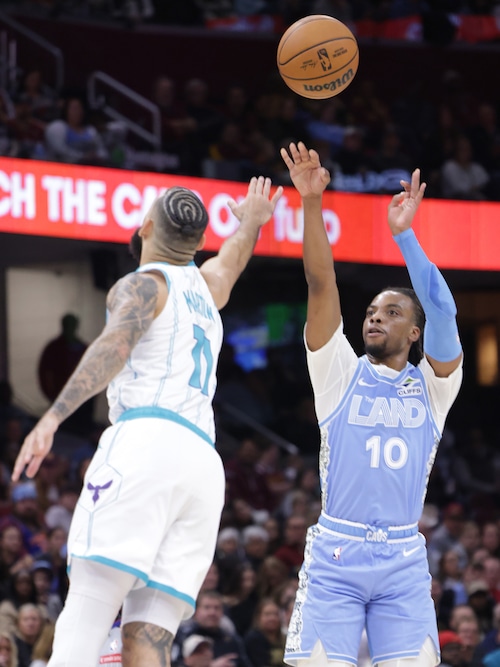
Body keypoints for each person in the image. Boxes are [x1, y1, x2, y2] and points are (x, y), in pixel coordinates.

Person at [12, 176, 283, 667]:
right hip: (203, 465)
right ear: (199, 244)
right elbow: (233, 258)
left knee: (88, 609)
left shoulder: (143, 283)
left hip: (147, 442)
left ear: (145, 227)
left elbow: (114, 346)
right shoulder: (207, 286)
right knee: (149, 634)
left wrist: (51, 417)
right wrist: (252, 222)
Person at [279, 141, 463, 667]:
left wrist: (404, 236)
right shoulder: (338, 372)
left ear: (415, 330)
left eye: (391, 311)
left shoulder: (434, 386)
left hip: (403, 560)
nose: (375, 317)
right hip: (336, 555)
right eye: (371, 311)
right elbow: (320, 282)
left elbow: (445, 309)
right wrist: (311, 203)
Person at [37, 313, 93, 437]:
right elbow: (45, 373)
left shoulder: (84, 348)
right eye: (67, 325)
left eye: (72, 325)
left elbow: (93, 372)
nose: (70, 328)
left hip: (82, 402)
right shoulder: (53, 348)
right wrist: (51, 394)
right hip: (61, 399)